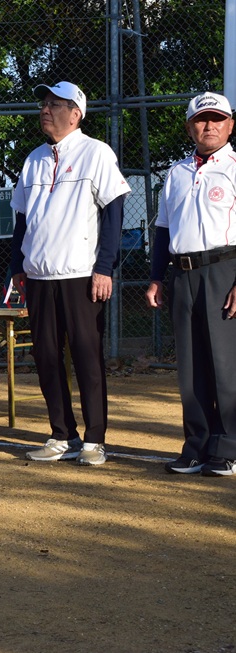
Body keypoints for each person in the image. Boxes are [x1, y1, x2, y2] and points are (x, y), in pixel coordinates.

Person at [10, 81, 130, 466]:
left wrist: (104, 268)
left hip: (81, 274)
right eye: (44, 103)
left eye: (55, 104)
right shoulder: (33, 159)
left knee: (86, 357)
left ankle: (94, 440)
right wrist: (17, 266)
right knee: (46, 357)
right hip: (38, 276)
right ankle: (62, 434)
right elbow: (21, 219)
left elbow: (113, 214)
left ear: (75, 114)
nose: (45, 110)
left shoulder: (97, 152)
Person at [146, 92, 236, 476]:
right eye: (201, 119)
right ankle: (196, 445)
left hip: (224, 269)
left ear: (230, 125)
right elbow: (163, 230)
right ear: (189, 127)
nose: (209, 125)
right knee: (191, 367)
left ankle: (227, 447)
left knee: (224, 365)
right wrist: (156, 277)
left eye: (217, 118)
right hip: (182, 274)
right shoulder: (177, 173)